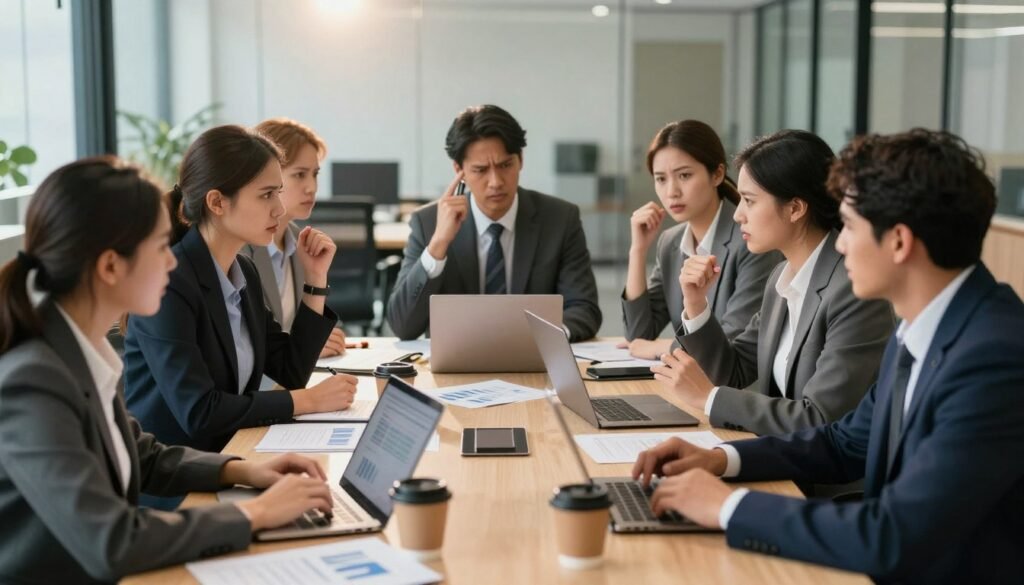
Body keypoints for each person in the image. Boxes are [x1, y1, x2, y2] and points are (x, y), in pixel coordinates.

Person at [633, 129, 1024, 584]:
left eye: (851, 227)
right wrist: (720, 460)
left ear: (898, 242)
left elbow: (896, 534)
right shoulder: (925, 324)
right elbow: (845, 442)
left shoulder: (993, 358)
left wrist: (728, 505)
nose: (838, 243)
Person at [0, 157, 336, 584]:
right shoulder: (33, 381)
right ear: (109, 266)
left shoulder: (76, 350)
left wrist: (241, 469)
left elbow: (138, 452)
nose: (172, 262)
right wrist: (256, 513)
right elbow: (113, 541)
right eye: (160, 247)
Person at [124, 125, 357, 454]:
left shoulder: (241, 270)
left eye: (278, 192)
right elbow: (199, 412)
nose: (278, 208)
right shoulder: (169, 283)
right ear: (217, 202)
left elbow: (290, 371)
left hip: (233, 452)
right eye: (266, 195)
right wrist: (305, 401)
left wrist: (315, 280)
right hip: (178, 477)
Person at [655, 130, 894, 436]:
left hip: (825, 480)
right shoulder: (781, 278)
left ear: (795, 208)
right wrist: (696, 304)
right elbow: (732, 371)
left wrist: (708, 398)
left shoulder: (852, 289)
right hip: (782, 459)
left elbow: (820, 418)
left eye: (749, 201)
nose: (738, 214)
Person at [386, 104, 602, 341]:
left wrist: (539, 339)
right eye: (480, 170)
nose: (496, 182)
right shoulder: (428, 223)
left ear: (520, 160)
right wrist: (438, 245)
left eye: (505, 165)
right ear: (459, 170)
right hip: (457, 366)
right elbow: (402, 326)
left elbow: (584, 309)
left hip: (534, 362)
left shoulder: (560, 219)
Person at [619, 120, 781, 359]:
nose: (671, 191)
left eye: (684, 175)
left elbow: (732, 340)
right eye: (661, 179)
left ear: (717, 174)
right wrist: (638, 250)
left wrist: (662, 348)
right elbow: (639, 333)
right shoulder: (670, 243)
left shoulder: (751, 240)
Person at [241, 117, 346, 357]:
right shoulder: (238, 249)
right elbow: (245, 343)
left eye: (315, 174)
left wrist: (321, 336)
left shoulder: (303, 242)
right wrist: (304, 345)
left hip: (292, 380)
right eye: (299, 175)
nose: (312, 187)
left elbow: (312, 323)